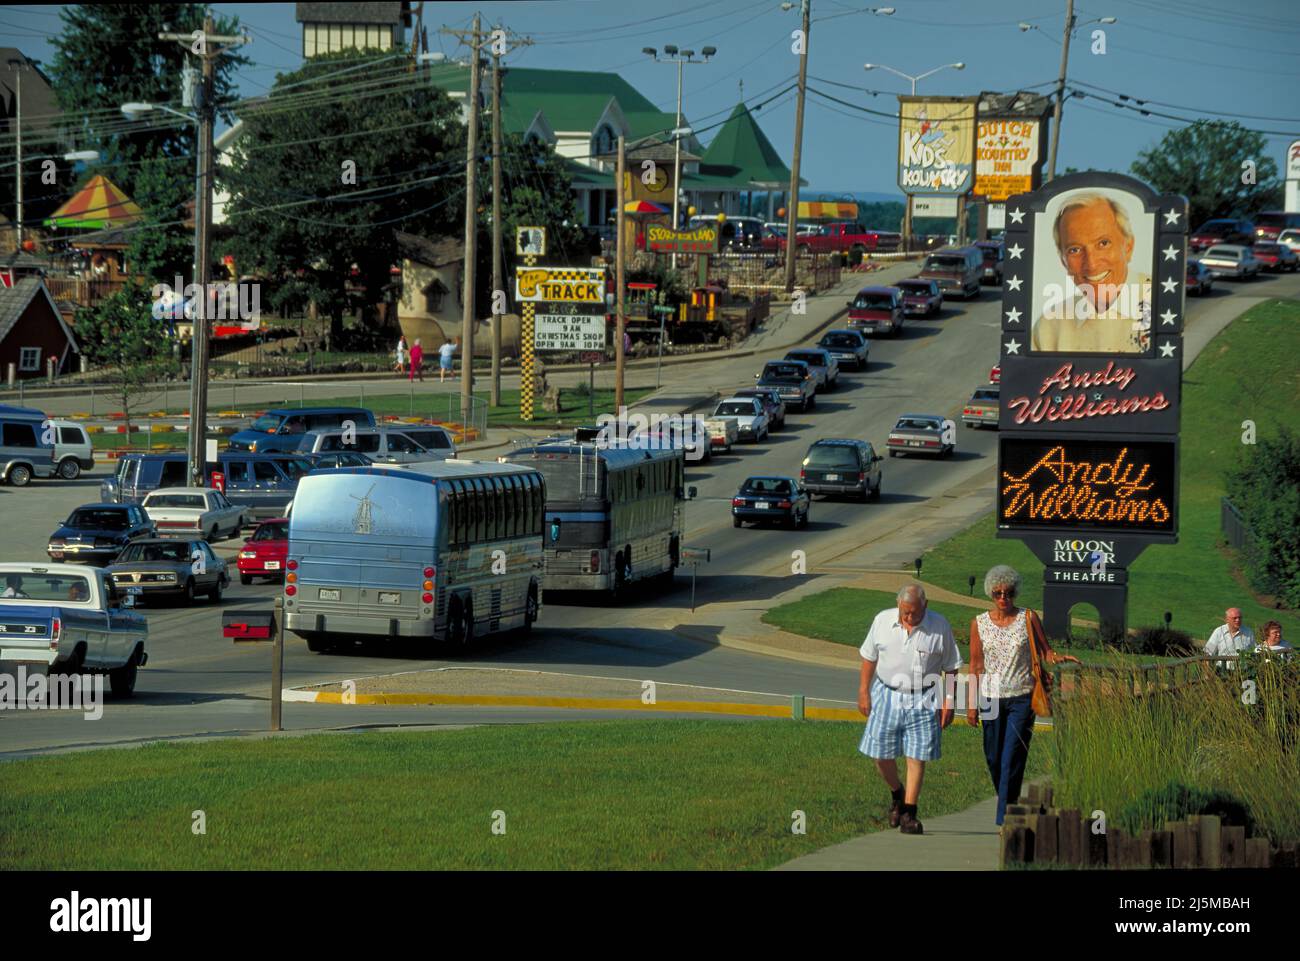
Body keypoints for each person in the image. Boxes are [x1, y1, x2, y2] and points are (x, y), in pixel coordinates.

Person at [967, 565, 1081, 826]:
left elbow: (1045, 652)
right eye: (997, 593)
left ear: (1015, 592)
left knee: (1012, 756)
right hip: (990, 698)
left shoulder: (1028, 618)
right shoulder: (979, 623)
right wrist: (972, 704)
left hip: (1022, 697)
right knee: (994, 758)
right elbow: (974, 665)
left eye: (1008, 593)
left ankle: (1004, 818)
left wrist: (1058, 657)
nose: (1003, 598)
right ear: (990, 594)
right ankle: (1010, 800)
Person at [858, 583, 962, 835]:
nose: (909, 617)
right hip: (886, 692)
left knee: (917, 755)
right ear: (898, 605)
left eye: (915, 612)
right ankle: (897, 793)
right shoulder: (882, 621)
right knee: (880, 754)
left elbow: (951, 666)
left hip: (923, 695)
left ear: (925, 606)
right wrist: (863, 690)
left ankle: (909, 813)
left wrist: (949, 700)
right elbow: (869, 657)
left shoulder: (939, 626)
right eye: (905, 612)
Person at [1032, 193, 1151, 354]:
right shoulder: (1049, 327)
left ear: (1128, 247)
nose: (1092, 264)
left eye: (1103, 243)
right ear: (1063, 261)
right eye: (1075, 250)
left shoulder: (1163, 308)